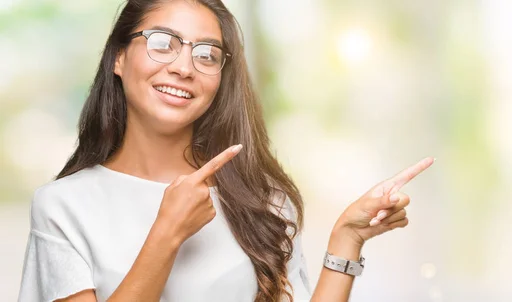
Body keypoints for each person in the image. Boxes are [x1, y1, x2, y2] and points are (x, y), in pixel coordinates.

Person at [17, 0, 434, 301]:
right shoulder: (62, 207)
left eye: (207, 54)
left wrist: (348, 238)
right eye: (163, 42)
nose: (184, 67)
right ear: (119, 57)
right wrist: (168, 233)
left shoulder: (262, 203)